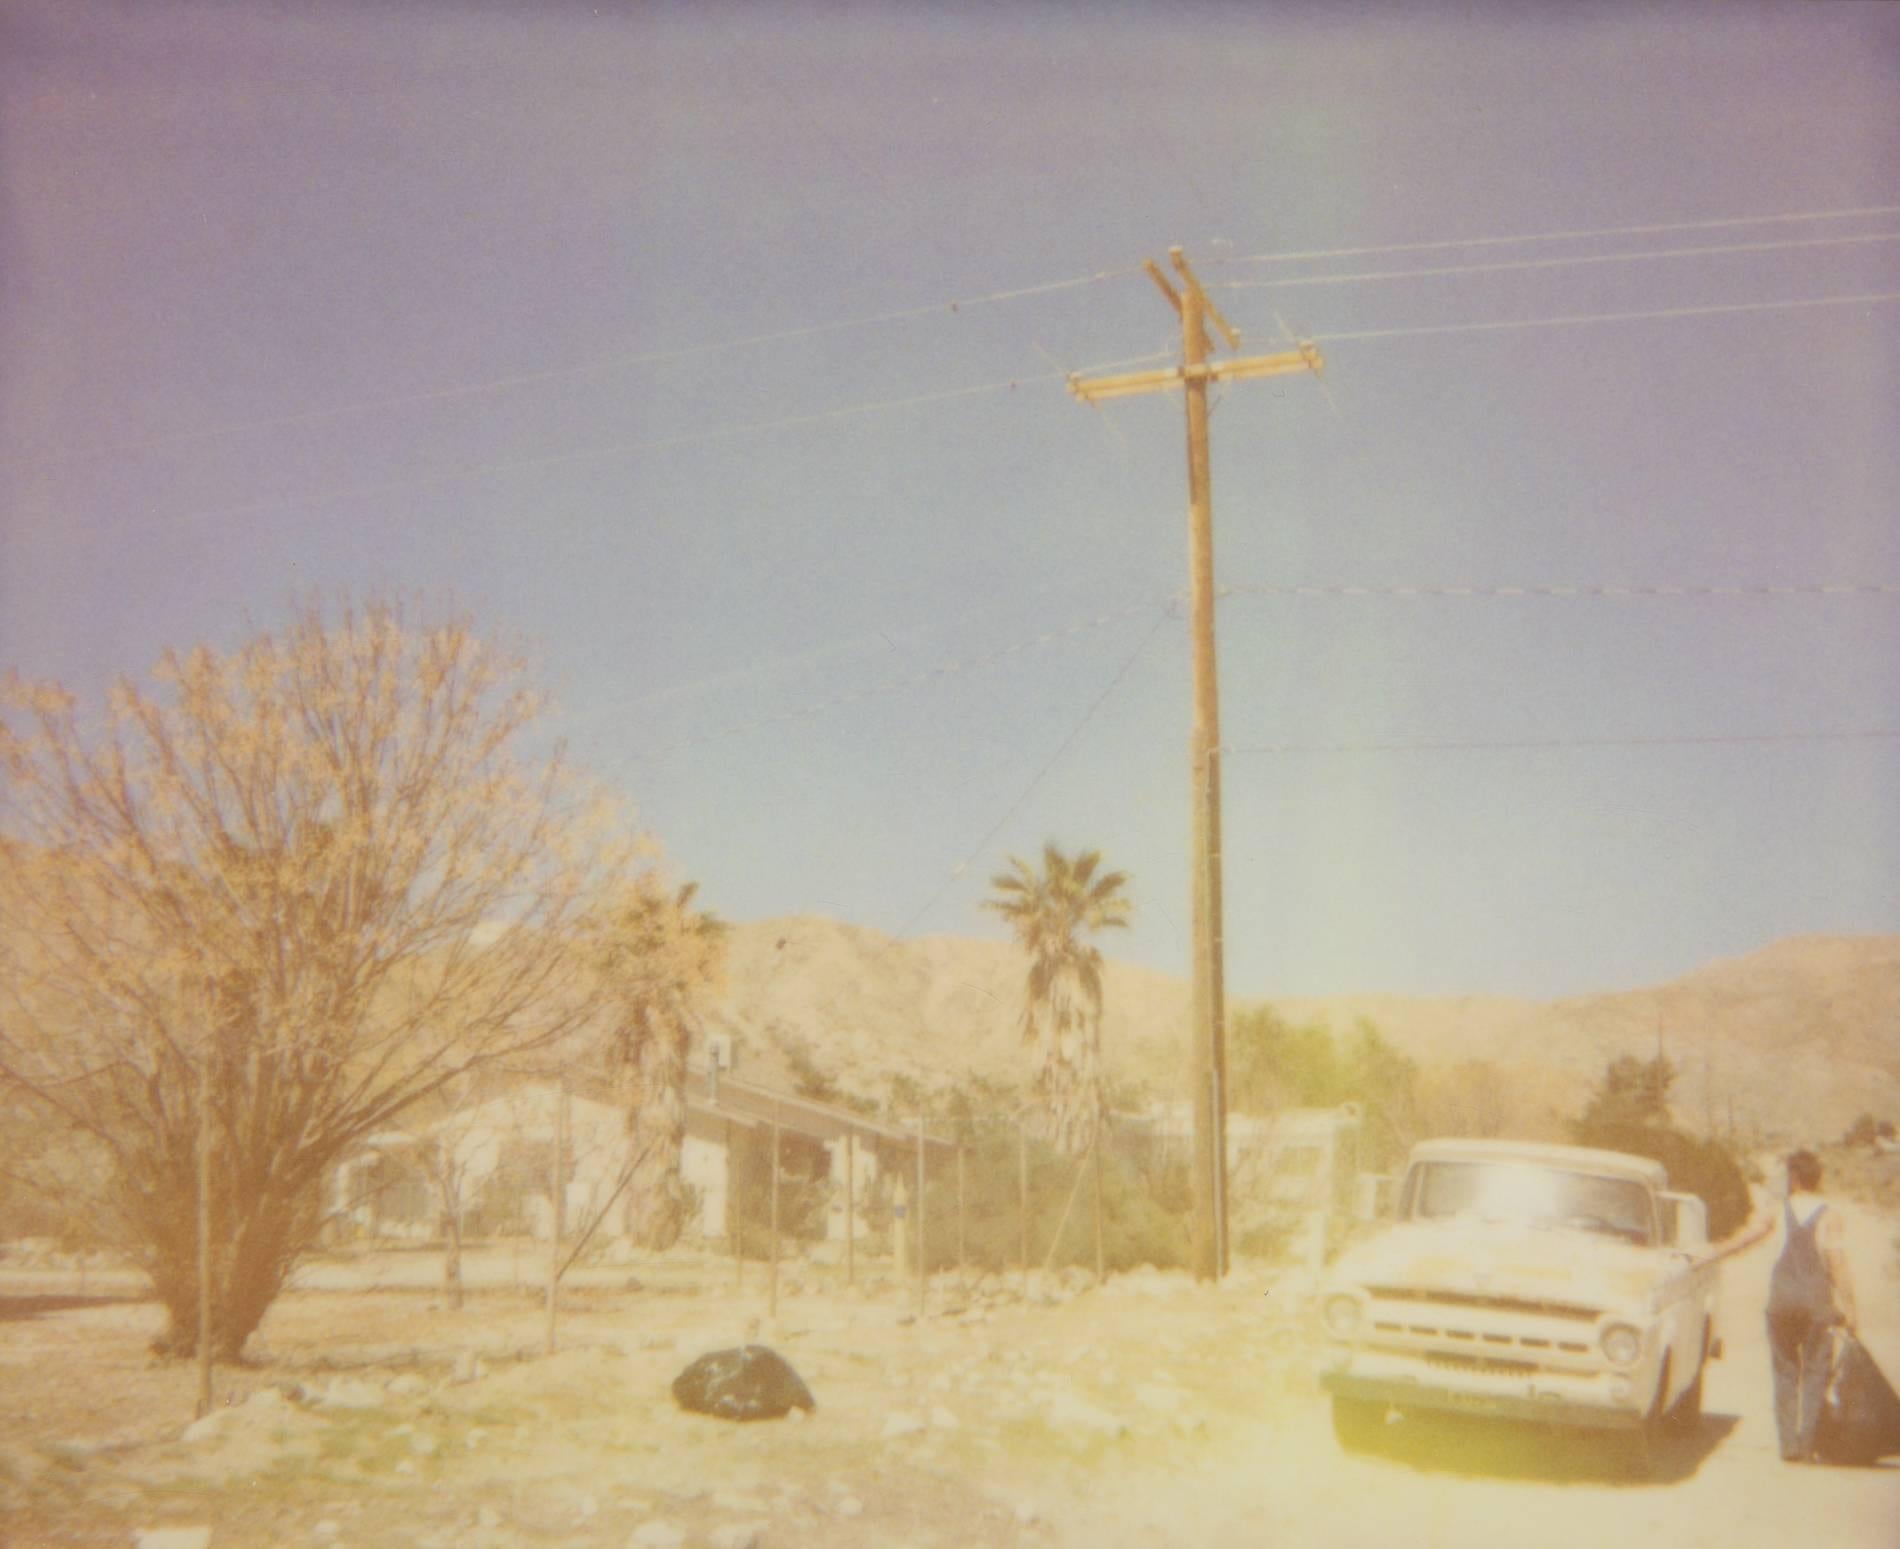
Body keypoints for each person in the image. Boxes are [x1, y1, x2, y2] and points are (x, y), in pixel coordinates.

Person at [1766, 1149, 1859, 1462]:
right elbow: (1838, 1264)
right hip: (1817, 1305)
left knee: (1784, 1372)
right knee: (1817, 1372)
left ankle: (1788, 1445)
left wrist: (1713, 1252)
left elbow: (1749, 1239)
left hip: (1780, 1303)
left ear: (1793, 1178)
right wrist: (1851, 1307)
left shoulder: (1777, 1210)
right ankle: (1807, 1445)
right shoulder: (1830, 1215)